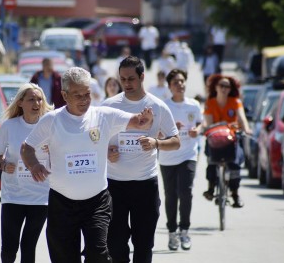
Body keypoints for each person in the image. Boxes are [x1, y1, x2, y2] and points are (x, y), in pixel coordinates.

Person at [20, 67, 155, 263]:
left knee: (98, 255)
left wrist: (145, 119)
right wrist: (33, 165)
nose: (84, 99)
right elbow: (27, 148)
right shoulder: (52, 120)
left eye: (87, 94)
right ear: (65, 95)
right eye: (77, 95)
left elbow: (137, 121)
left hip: (96, 202)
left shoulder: (103, 116)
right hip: (62, 203)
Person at [102, 56, 180, 263]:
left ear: (142, 77)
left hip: (145, 184)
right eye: (123, 79)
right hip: (114, 185)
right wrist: (107, 152)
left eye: (131, 79)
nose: (126, 84)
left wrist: (156, 143)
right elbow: (92, 140)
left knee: (144, 243)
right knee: (115, 244)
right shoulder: (109, 106)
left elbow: (176, 141)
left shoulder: (158, 106)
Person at [0, 83, 54, 263]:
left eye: (40, 99)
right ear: (20, 103)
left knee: (28, 245)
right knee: (9, 248)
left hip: (40, 196)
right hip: (13, 195)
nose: (37, 103)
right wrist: (3, 165)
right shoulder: (9, 126)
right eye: (31, 99)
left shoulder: (49, 125)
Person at [158, 69, 203, 251]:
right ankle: (172, 233)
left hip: (188, 154)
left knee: (186, 192)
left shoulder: (194, 105)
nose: (180, 84)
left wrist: (198, 131)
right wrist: (171, 130)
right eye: (176, 82)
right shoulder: (163, 106)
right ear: (169, 86)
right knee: (171, 195)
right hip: (168, 157)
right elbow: (157, 133)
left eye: (182, 81)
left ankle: (184, 230)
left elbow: (200, 123)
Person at [202, 74, 252, 208]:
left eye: (227, 86)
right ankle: (211, 188)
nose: (224, 89)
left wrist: (246, 128)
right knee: (212, 162)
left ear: (231, 89)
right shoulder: (210, 102)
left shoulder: (235, 101)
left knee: (235, 164)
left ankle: (235, 194)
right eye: (221, 85)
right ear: (216, 87)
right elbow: (207, 121)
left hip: (232, 138)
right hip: (215, 138)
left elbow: (242, 117)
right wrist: (205, 128)